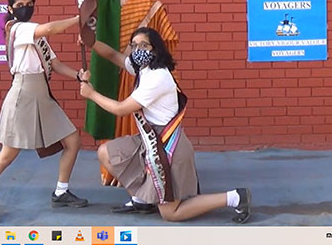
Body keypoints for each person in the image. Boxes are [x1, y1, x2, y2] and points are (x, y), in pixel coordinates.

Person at [79, 27, 251, 223]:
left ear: (155, 49)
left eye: (144, 46)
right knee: (106, 153)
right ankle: (142, 200)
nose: (138, 50)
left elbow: (121, 109)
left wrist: (91, 94)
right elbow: (113, 55)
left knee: (171, 213)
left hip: (169, 147)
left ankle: (235, 197)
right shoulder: (142, 68)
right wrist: (91, 42)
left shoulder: (157, 77)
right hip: (149, 139)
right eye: (134, 46)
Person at [0, 0, 89, 224]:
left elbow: (55, 64)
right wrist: (78, 19)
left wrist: (78, 75)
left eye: (29, 4)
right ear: (10, 9)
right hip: (23, 94)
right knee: (7, 155)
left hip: (42, 93)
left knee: (73, 141)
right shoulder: (17, 28)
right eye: (20, 5)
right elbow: (50, 29)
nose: (25, 8)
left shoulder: (35, 33)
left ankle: (61, 192)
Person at [84, 0, 179, 198]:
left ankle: (142, 172)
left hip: (137, 72)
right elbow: (92, 25)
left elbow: (166, 36)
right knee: (111, 120)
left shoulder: (149, 1)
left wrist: (146, 53)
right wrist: (88, 37)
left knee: (131, 119)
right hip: (108, 69)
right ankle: (112, 172)